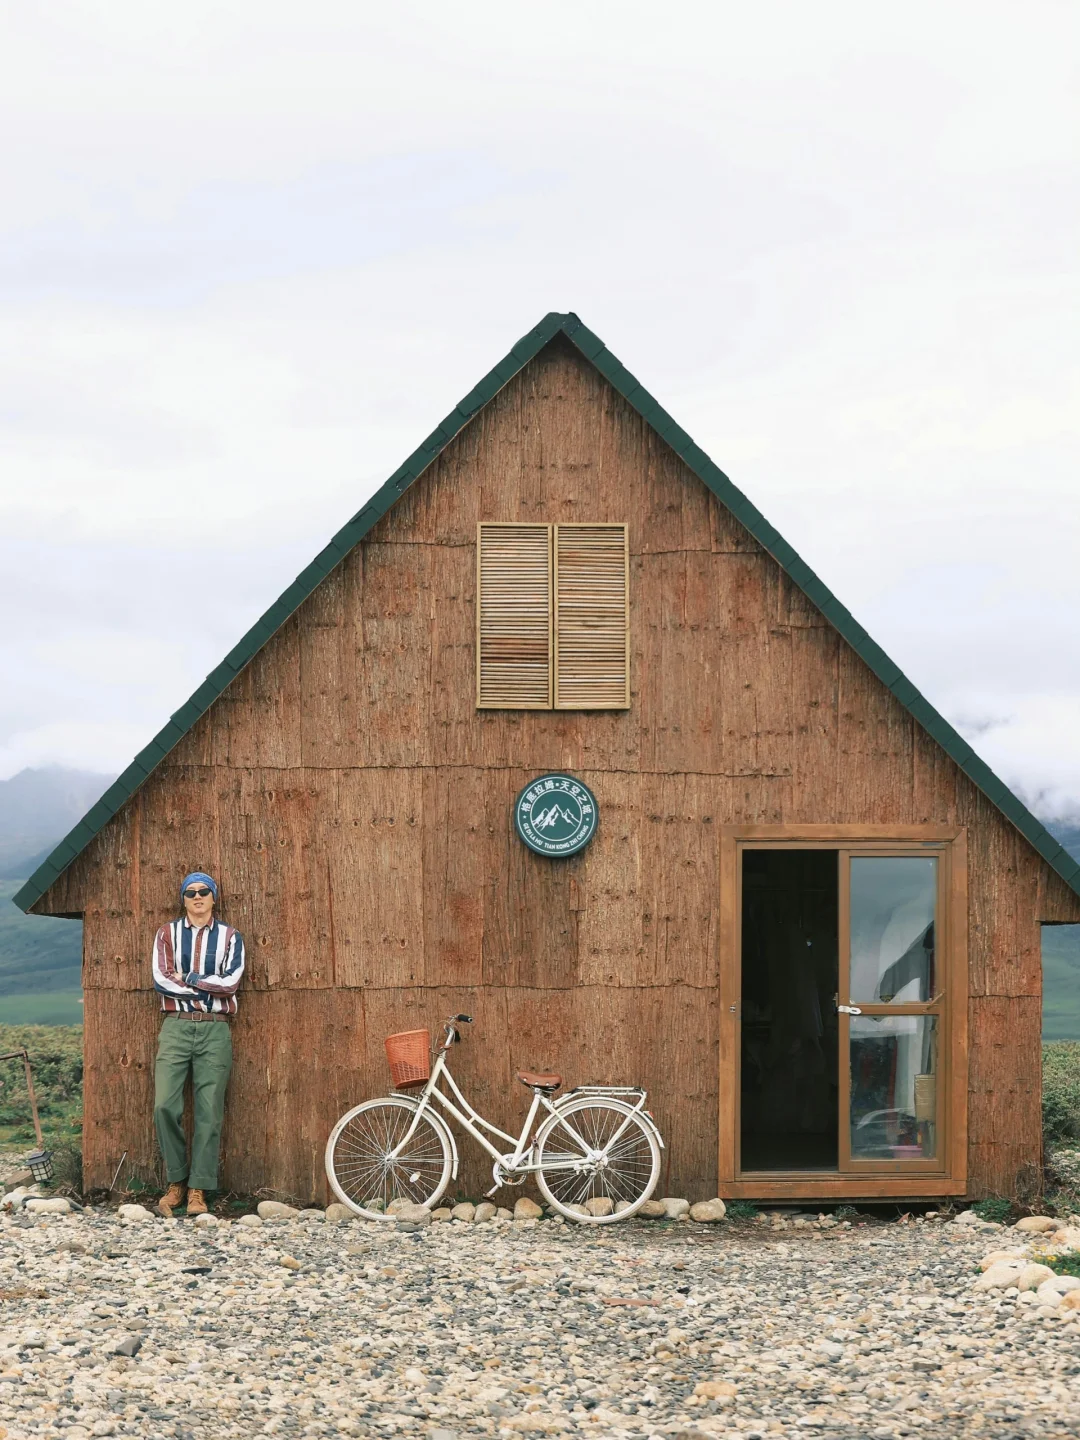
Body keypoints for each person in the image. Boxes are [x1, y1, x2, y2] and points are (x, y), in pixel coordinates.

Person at [151, 871, 246, 1218]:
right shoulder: (167, 934)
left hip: (215, 1030)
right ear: (183, 898)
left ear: (213, 897)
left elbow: (232, 982)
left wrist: (188, 978)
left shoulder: (231, 937)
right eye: (190, 892)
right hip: (175, 1027)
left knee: (209, 1112)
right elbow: (161, 980)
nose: (197, 896)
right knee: (164, 1105)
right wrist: (207, 985)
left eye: (204, 891)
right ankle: (176, 1181)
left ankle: (197, 1190)